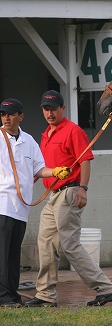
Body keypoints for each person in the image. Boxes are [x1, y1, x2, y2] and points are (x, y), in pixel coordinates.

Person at [23, 90, 112, 308]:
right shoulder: (45, 135)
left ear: (62, 109)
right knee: (45, 243)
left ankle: (106, 289)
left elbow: (85, 161)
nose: (49, 113)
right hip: (52, 195)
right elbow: (41, 168)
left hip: (69, 192)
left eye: (53, 109)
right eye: (46, 109)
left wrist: (83, 189)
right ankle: (45, 295)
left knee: (69, 244)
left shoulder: (73, 131)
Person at [0, 98, 71, 308]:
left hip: (20, 208)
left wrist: (56, 171)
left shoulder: (29, 141)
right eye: (3, 114)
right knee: (2, 254)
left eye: (11, 114)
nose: (6, 118)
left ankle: (12, 294)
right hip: (2, 204)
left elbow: (39, 169)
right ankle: (3, 297)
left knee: (13, 254)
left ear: (20, 117)